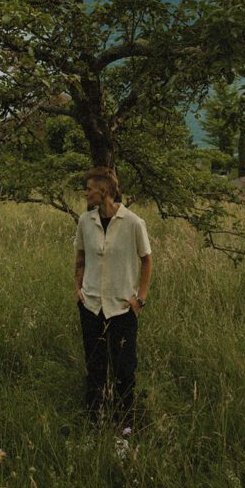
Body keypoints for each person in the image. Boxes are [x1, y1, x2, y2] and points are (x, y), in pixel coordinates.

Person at [74, 166, 152, 427]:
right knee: (95, 369)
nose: (86, 193)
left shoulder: (132, 222)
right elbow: (80, 258)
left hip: (122, 309)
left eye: (89, 189)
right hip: (91, 306)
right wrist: (78, 289)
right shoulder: (86, 221)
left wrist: (139, 299)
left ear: (103, 190)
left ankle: (125, 428)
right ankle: (94, 423)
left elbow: (146, 260)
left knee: (124, 371)